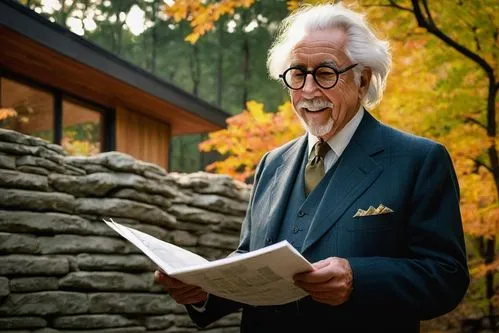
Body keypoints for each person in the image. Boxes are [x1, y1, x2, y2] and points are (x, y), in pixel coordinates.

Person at [154, 2, 469, 332]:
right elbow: (249, 258)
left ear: (362, 80)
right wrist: (204, 289)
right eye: (298, 74)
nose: (307, 90)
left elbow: (446, 276)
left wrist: (358, 278)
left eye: (325, 73)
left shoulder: (418, 160)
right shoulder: (271, 164)